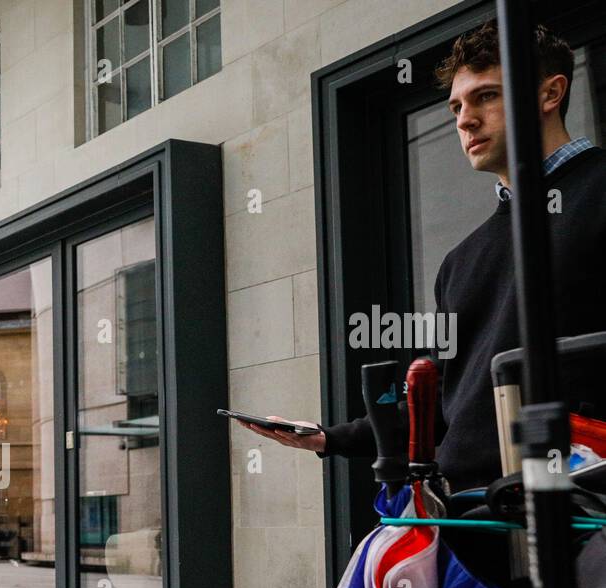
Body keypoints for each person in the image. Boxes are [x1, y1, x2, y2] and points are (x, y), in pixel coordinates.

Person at [243, 21, 604, 496]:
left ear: (549, 94)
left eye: (486, 97)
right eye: (456, 106)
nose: (464, 119)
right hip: (472, 515)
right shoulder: (461, 261)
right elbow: (436, 406)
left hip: (578, 511)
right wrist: (329, 437)